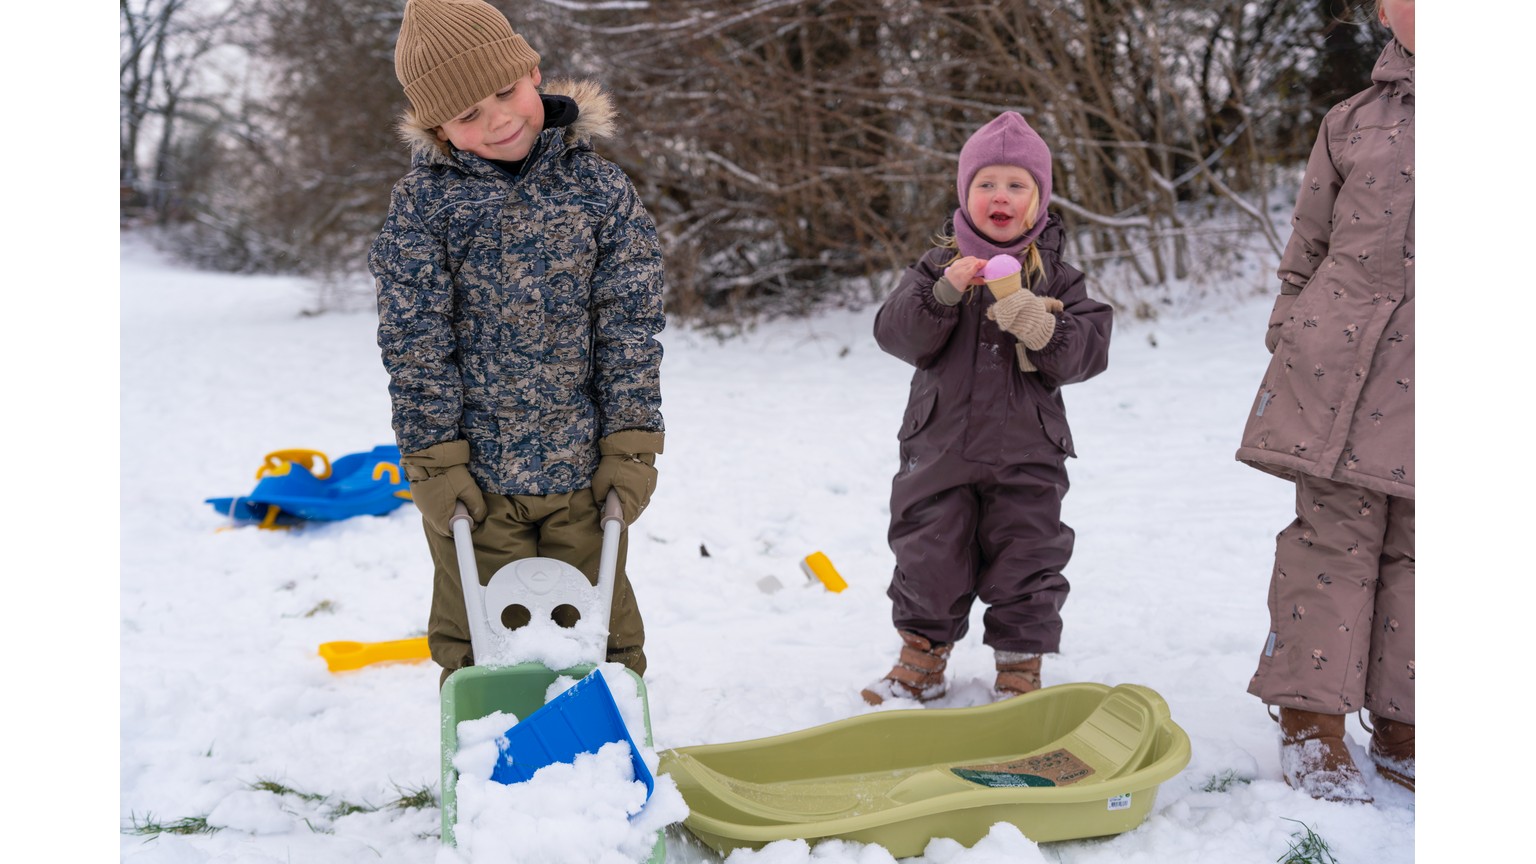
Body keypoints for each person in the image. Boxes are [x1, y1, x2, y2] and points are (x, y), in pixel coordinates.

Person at [369, 0, 666, 683]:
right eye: (469, 114)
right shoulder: (424, 206)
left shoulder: (600, 191)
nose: (499, 119)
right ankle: (490, 765)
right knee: (480, 633)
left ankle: (604, 746)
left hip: (585, 473)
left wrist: (631, 444)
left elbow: (630, 327)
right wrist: (436, 464)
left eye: (505, 92)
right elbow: (414, 340)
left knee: (597, 626)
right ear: (437, 125)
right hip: (476, 479)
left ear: (532, 71)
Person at [863, 111, 1113, 705]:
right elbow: (897, 337)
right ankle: (921, 658)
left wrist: (1038, 322)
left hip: (1027, 452)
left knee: (1029, 555)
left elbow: (1087, 354)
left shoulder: (1059, 279)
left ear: (1039, 199)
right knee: (927, 554)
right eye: (986, 184)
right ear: (965, 193)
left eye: (1016, 185)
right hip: (939, 447)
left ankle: (1020, 669)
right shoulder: (935, 270)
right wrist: (943, 294)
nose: (999, 196)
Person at [1236, 0, 1414, 802]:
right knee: (1329, 540)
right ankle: (1310, 720)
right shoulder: (1350, 120)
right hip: (1336, 369)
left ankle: (1411, 721)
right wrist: (1291, 334)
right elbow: (1307, 246)